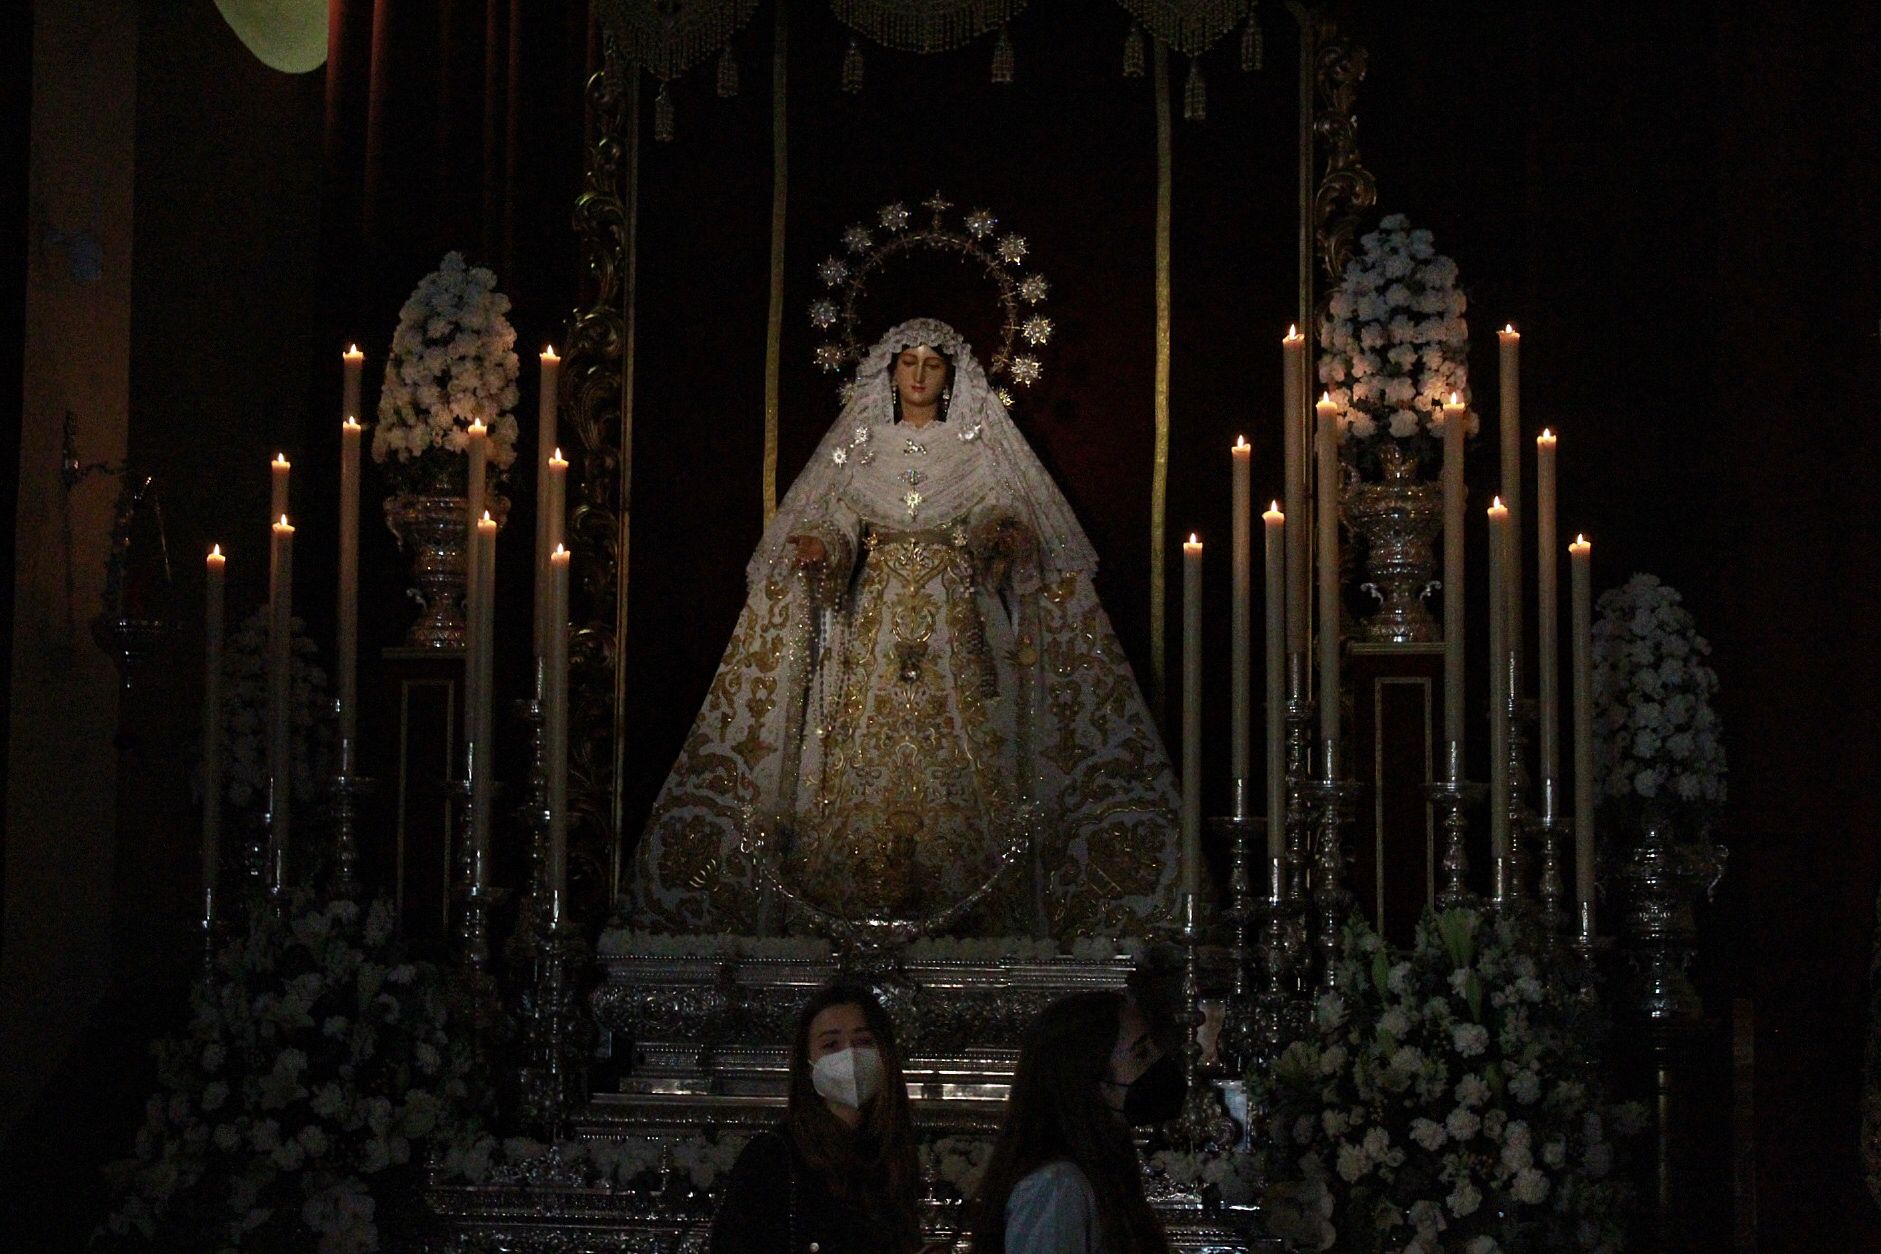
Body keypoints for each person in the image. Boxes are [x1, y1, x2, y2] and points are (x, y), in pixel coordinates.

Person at [635, 318, 1180, 938]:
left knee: (972, 740)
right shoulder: (863, 446)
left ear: (951, 379)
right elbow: (841, 520)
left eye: (933, 365)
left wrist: (1000, 530)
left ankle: (976, 893)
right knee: (861, 736)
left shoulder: (972, 446)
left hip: (957, 625)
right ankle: (851, 881)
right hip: (876, 622)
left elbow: (988, 510)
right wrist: (823, 545)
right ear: (889, 373)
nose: (919, 376)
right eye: (908, 363)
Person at [710, 982, 924, 1254]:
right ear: (807, 1062)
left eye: (864, 1042)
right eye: (831, 1044)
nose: (850, 1055)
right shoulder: (773, 1156)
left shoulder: (888, 1154)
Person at [970, 990, 1182, 1254]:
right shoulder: (1057, 1187)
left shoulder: (1097, 1165)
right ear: (1090, 1075)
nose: (1157, 1060)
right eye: (1140, 1053)